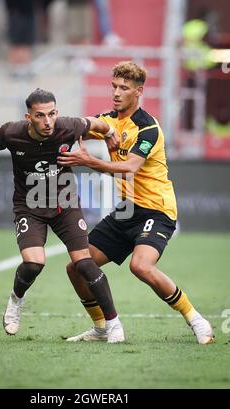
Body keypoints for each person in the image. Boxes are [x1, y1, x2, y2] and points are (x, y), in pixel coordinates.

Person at [58, 61, 214, 345]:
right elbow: (76, 126)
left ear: (138, 92)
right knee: (77, 266)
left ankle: (196, 320)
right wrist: (52, 127)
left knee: (141, 266)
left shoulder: (148, 128)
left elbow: (130, 167)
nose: (116, 93)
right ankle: (100, 328)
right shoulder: (109, 121)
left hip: (157, 209)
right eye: (114, 86)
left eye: (124, 88)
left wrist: (89, 161)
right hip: (128, 210)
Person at [0, 88, 125, 343]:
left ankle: (113, 325)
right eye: (40, 116)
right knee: (34, 264)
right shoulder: (13, 132)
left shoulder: (69, 126)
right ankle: (16, 299)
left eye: (52, 114)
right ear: (29, 117)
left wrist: (110, 133)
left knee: (85, 264)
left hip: (65, 205)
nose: (48, 122)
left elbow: (98, 123)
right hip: (29, 207)